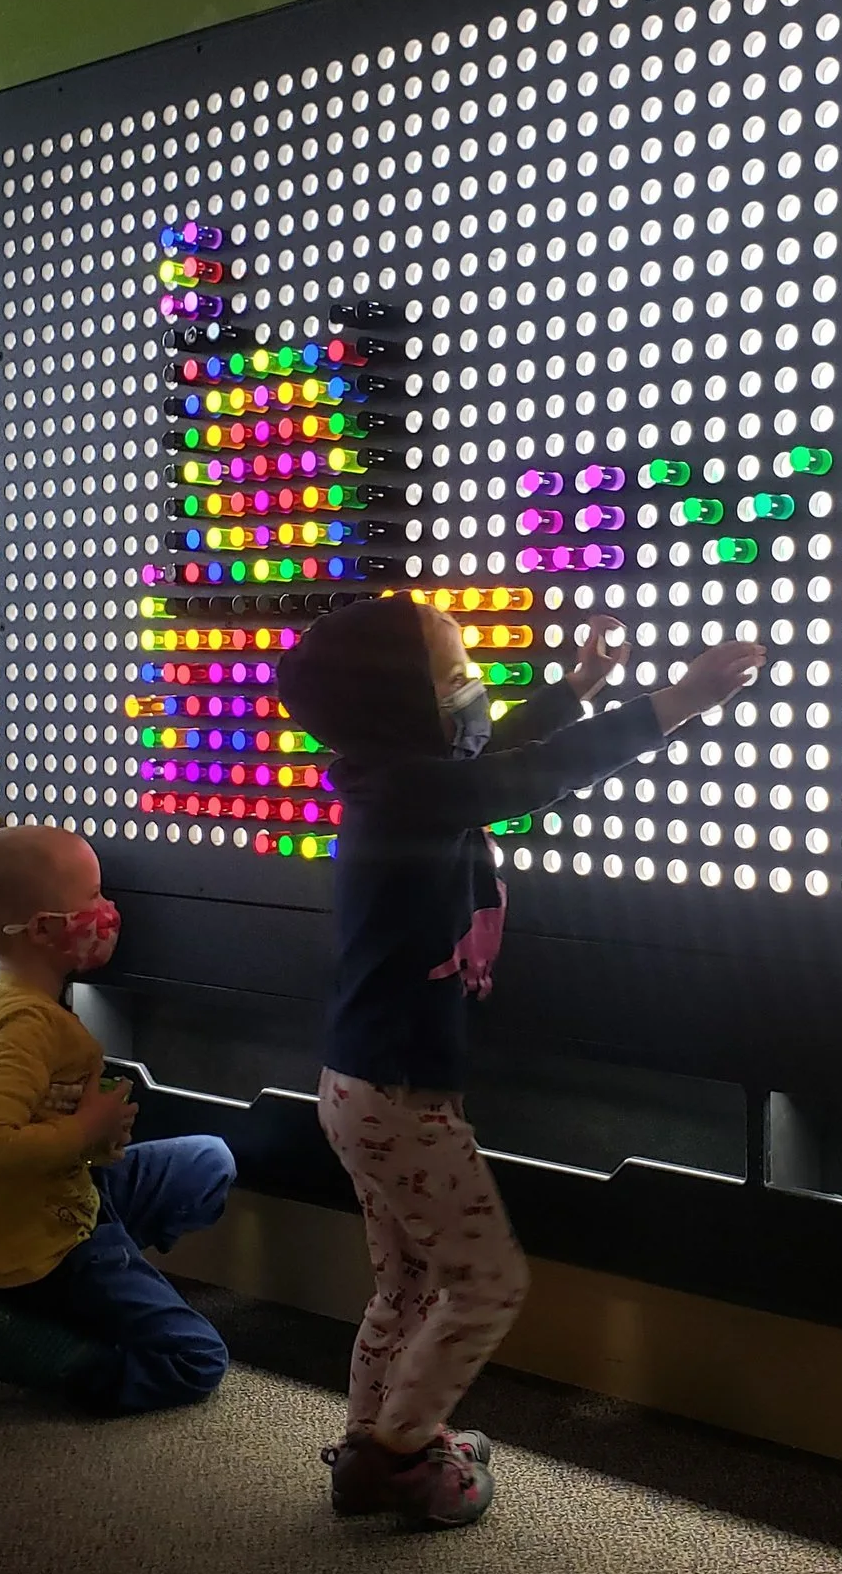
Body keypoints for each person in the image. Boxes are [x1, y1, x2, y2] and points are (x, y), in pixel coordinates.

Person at [277, 597, 764, 1526]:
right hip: (398, 1097)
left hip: (362, 1084)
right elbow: (527, 776)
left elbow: (499, 758)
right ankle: (398, 1450)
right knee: (487, 1282)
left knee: (406, 1285)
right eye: (457, 674)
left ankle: (369, 1439)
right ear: (402, 705)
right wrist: (678, 701)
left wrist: (575, 686)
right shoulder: (405, 791)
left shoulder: (398, 779)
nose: (478, 690)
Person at [0, 822, 235, 1427]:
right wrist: (83, 1131)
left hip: (57, 1194)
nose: (107, 912)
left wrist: (89, 1135)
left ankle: (74, 1298)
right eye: (93, 898)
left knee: (209, 1161)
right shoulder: (26, 1029)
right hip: (41, 1238)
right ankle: (32, 1344)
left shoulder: (12, 1001)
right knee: (197, 1359)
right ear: (46, 930)